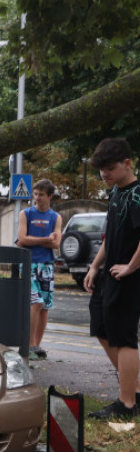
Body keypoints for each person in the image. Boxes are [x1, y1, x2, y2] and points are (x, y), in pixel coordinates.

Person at [84, 138, 140, 419]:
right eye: (101, 169)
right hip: (110, 274)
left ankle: (127, 404)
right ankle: (135, 390)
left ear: (127, 163)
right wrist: (95, 266)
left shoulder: (138, 193)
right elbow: (111, 236)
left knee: (124, 337)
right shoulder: (116, 192)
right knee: (102, 326)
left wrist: (130, 267)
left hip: (130, 277)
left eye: (109, 168)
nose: (104, 174)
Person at [17, 179, 61, 359]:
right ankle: (30, 345)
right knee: (35, 302)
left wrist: (39, 240)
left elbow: (57, 243)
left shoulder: (55, 217)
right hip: (28, 264)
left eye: (41, 195)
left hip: (47, 265)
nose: (37, 198)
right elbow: (22, 239)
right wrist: (45, 240)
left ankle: (37, 345)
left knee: (44, 307)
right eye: (35, 194)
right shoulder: (25, 214)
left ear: (50, 196)